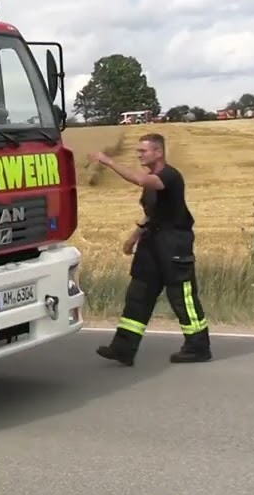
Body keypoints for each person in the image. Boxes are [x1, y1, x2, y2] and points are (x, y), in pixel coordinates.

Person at [88, 133, 212, 365]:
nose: (139, 154)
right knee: (138, 293)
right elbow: (151, 213)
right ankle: (123, 348)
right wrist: (134, 237)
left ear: (158, 152)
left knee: (181, 296)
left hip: (174, 242)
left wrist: (109, 161)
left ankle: (198, 346)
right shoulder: (152, 179)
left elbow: (142, 181)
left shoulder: (169, 176)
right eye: (138, 151)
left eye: (143, 151)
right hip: (151, 242)